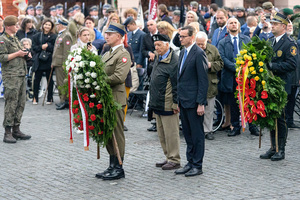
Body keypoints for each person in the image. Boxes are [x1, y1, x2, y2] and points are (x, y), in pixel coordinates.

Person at [95, 22, 131, 180]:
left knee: (116, 132)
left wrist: (98, 81)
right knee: (108, 132)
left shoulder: (123, 54)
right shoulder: (107, 53)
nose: (106, 36)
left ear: (119, 37)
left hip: (115, 99)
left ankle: (119, 166)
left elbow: (119, 77)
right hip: (105, 98)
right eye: (106, 33)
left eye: (110, 34)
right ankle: (111, 164)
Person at [260, 13, 298, 161]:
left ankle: (281, 149)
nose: (272, 26)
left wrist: (273, 66)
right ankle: (273, 146)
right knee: (272, 116)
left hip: (282, 85)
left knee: (281, 118)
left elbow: (292, 64)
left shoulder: (289, 43)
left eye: (275, 24)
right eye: (272, 23)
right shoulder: (270, 41)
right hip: (270, 85)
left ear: (283, 26)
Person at [175, 26, 208, 177]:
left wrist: (201, 103)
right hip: (184, 100)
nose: (180, 39)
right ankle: (190, 162)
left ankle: (197, 165)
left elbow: (203, 81)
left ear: (191, 37)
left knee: (197, 134)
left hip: (194, 101)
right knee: (188, 134)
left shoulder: (199, 53)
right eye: (180, 36)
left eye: (183, 36)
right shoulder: (182, 52)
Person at [218, 17, 259, 137]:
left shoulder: (246, 39)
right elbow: (222, 58)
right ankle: (235, 126)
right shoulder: (222, 42)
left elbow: (252, 54)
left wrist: (244, 68)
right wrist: (237, 68)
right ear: (227, 27)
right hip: (231, 77)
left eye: (235, 23)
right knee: (234, 102)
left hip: (246, 77)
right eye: (231, 23)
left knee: (249, 101)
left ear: (239, 25)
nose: (233, 25)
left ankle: (253, 126)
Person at [150, 34, 181, 170]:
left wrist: (175, 103)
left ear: (167, 45)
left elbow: (177, 84)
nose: (157, 48)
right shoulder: (159, 57)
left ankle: (175, 159)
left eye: (159, 45)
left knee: (171, 134)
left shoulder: (174, 60)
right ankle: (168, 156)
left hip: (167, 103)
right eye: (155, 45)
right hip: (158, 102)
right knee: (162, 134)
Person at [0, 15, 31, 143]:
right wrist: (18, 54)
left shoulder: (15, 39)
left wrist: (25, 53)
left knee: (20, 103)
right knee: (11, 103)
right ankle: (7, 131)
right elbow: (2, 57)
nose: (18, 26)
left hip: (20, 74)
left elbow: (19, 52)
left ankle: (16, 129)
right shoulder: (2, 40)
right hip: (11, 75)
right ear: (8, 26)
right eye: (15, 25)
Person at [195, 31, 223, 140]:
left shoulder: (213, 49)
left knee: (209, 109)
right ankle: (197, 130)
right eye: (199, 44)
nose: (201, 46)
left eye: (203, 44)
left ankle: (208, 130)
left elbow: (221, 63)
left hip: (210, 83)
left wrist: (211, 65)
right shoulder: (191, 50)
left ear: (207, 41)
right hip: (195, 84)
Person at [32, 19, 57, 105]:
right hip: (39, 60)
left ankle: (49, 98)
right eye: (46, 24)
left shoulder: (54, 36)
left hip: (49, 60)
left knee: (49, 80)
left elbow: (55, 48)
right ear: (43, 25)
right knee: (36, 79)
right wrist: (41, 47)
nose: (47, 26)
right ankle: (35, 97)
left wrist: (48, 46)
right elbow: (34, 48)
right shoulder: (37, 36)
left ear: (51, 27)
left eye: (49, 25)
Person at [51, 18, 73, 110]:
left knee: (62, 83)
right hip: (57, 62)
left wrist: (65, 63)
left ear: (61, 25)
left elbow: (67, 51)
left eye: (57, 25)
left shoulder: (66, 35)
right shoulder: (61, 35)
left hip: (61, 63)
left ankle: (64, 101)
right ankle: (63, 100)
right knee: (60, 83)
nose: (56, 26)